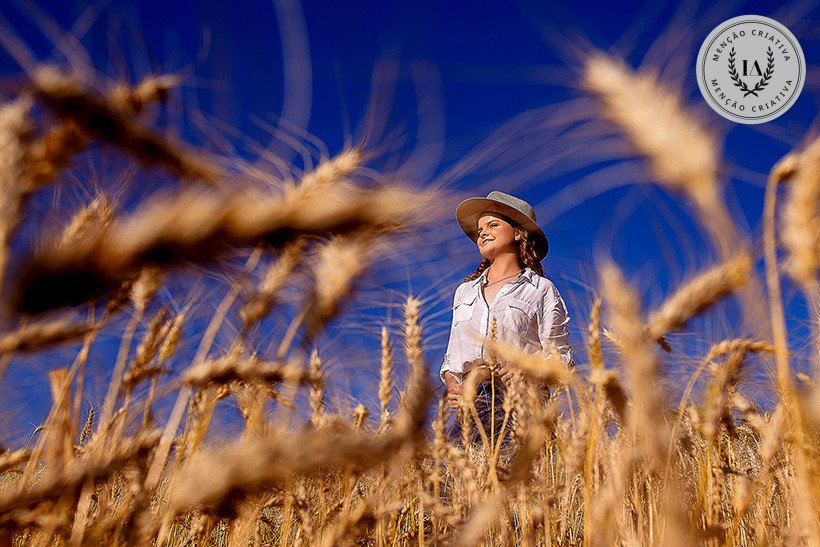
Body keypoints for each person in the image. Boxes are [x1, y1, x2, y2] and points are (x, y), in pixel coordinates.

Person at [440, 190, 574, 449]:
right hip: (472, 400)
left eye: (493, 224)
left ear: (517, 233)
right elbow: (453, 356)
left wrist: (528, 368)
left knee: (515, 483)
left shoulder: (541, 289)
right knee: (451, 483)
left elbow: (562, 358)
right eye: (479, 229)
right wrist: (453, 384)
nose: (482, 232)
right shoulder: (464, 291)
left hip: (520, 399)